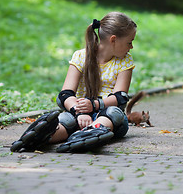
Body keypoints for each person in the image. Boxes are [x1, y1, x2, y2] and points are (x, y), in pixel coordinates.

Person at [11, 11, 137, 152]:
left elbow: (120, 97)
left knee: (114, 113)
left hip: (108, 116)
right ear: (113, 40)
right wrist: (79, 113)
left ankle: (89, 132)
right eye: (129, 42)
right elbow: (65, 94)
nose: (131, 47)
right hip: (79, 113)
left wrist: (95, 105)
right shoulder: (80, 56)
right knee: (66, 119)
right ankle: (43, 136)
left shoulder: (125, 61)